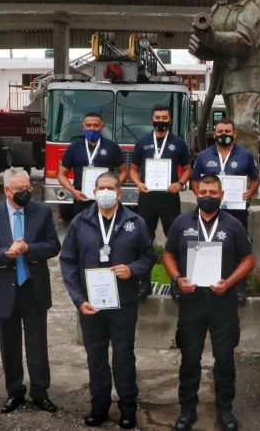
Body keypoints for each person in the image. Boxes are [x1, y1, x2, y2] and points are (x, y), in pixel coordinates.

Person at [59, 172, 156, 429]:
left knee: (124, 355)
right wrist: (79, 300)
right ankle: (99, 406)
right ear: (94, 191)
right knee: (96, 356)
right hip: (91, 304)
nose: (105, 192)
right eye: (101, 188)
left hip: (123, 302)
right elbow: (67, 262)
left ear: (119, 193)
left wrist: (133, 269)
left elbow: (149, 257)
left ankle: (127, 407)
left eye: (110, 188)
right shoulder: (81, 222)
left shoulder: (135, 222)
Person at [163, 174, 255, 431]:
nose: (208, 196)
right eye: (204, 191)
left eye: (214, 192)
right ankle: (187, 409)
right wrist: (178, 278)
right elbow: (168, 255)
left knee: (224, 358)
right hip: (191, 301)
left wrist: (230, 282)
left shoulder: (233, 225)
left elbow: (249, 260)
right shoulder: (182, 222)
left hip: (222, 301)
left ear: (222, 195)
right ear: (195, 192)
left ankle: (225, 410)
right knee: (190, 358)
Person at [0, 168, 61, 415]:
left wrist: (28, 248)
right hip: (5, 289)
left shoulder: (42, 212)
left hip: (34, 287)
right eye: (20, 190)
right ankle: (14, 392)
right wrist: (5, 253)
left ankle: (40, 393)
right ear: (6, 190)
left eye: (28, 189)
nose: (26, 193)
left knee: (37, 344)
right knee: (9, 344)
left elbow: (54, 246)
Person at [188, 0, 260, 161]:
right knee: (232, 127)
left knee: (244, 125)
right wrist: (199, 47)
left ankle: (248, 179)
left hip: (247, 74)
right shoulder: (217, 9)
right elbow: (215, 46)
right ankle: (233, 172)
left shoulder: (253, 7)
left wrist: (210, 37)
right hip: (226, 75)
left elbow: (244, 41)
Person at [191, 118, 260, 303]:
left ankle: (239, 288)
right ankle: (202, 280)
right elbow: (194, 179)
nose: (224, 135)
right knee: (205, 241)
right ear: (215, 134)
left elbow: (255, 178)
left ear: (234, 134)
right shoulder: (204, 156)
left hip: (236, 209)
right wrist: (199, 193)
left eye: (227, 132)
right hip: (208, 209)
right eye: (220, 131)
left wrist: (250, 192)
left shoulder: (245, 155)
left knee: (239, 246)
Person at [130, 104, 192, 298]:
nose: (161, 121)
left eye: (165, 118)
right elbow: (132, 168)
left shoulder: (179, 143)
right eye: (158, 117)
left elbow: (188, 168)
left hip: (169, 198)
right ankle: (144, 283)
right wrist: (138, 183)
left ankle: (176, 281)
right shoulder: (142, 143)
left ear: (170, 120)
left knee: (175, 240)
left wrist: (180, 183)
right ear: (152, 119)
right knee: (144, 240)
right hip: (147, 197)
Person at [58, 112, 127, 215]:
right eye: (88, 125)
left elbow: (124, 172)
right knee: (82, 229)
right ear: (83, 127)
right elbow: (61, 175)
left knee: (106, 228)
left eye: (95, 125)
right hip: (81, 198)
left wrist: (115, 188)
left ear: (101, 127)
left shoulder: (112, 147)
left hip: (106, 198)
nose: (92, 128)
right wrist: (73, 191)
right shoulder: (74, 147)